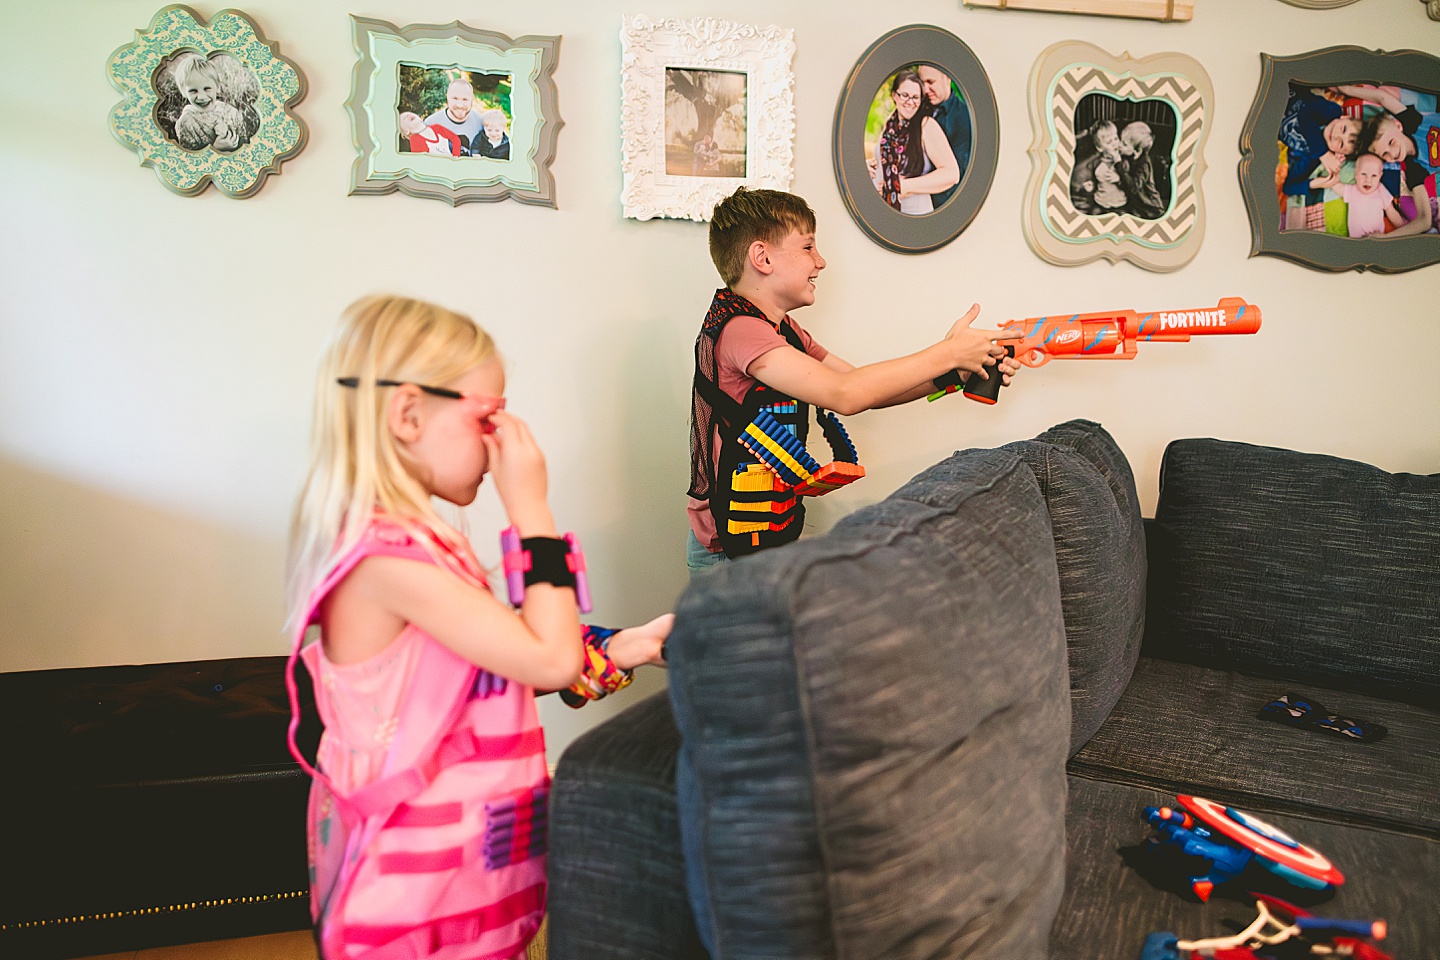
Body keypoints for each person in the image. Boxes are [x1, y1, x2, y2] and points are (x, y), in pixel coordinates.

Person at [285, 295, 670, 959]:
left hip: (469, 884)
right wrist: (532, 509)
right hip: (412, 911)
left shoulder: (426, 547)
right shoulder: (382, 560)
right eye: (488, 416)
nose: (502, 440)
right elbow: (547, 659)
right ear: (408, 413)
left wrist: (629, 646)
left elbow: (501, 670)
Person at [685, 187, 1020, 574]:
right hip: (726, 555)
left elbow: (864, 388)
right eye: (808, 247)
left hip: (763, 539)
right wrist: (947, 352)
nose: (821, 261)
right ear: (762, 257)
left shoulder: (785, 331)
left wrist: (954, 373)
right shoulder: (742, 331)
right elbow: (846, 395)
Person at [869, 70, 960, 215]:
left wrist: (903, 186)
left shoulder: (926, 126)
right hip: (884, 214)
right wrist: (869, 165)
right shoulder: (890, 124)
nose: (910, 102)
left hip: (915, 216)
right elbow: (890, 161)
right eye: (905, 95)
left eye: (915, 97)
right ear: (894, 95)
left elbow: (952, 174)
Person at [1358, 90, 1439, 237]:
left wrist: (1342, 88)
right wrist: (1386, 238)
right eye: (1384, 155)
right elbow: (1424, 220)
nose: (1392, 153)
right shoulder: (1415, 170)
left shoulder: (1411, 122)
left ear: (1398, 126)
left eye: (1391, 142)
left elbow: (1381, 97)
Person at [1311, 152, 1406, 238]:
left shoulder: (1381, 190)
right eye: (1363, 174)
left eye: (1374, 176)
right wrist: (1335, 167)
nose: (1368, 180)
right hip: (1356, 241)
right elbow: (1335, 185)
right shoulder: (1353, 190)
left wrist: (1405, 229)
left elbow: (1392, 212)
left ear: (1380, 176)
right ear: (1356, 174)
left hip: (1377, 238)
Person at [917, 64, 972, 209]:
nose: (925, 89)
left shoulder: (964, 118)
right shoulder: (916, 110)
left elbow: (957, 178)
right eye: (922, 83)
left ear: (947, 77)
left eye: (930, 82)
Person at [172, 55, 245, 152]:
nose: (201, 97)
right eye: (193, 91)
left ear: (217, 87)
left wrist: (235, 144)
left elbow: (245, 143)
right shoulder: (186, 123)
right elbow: (190, 159)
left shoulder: (231, 113)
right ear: (184, 92)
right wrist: (215, 149)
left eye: (207, 89)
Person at [1071, 120, 1126, 215]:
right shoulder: (1096, 163)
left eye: (1116, 138)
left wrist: (1119, 177)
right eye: (1109, 142)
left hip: (1119, 203)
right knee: (1094, 216)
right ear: (1099, 148)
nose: (1114, 143)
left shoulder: (1123, 160)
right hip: (1100, 202)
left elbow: (1130, 182)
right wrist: (1090, 186)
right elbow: (1096, 178)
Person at [1119, 121, 1168, 220]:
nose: (1119, 145)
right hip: (1138, 206)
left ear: (1137, 151)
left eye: (1124, 144)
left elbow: (1134, 187)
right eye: (1120, 139)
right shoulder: (1130, 156)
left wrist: (1121, 170)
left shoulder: (1144, 165)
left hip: (1151, 209)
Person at [424, 78, 485, 155]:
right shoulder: (429, 124)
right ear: (447, 97)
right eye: (455, 98)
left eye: (465, 99)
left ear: (472, 100)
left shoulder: (482, 122)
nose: (460, 105)